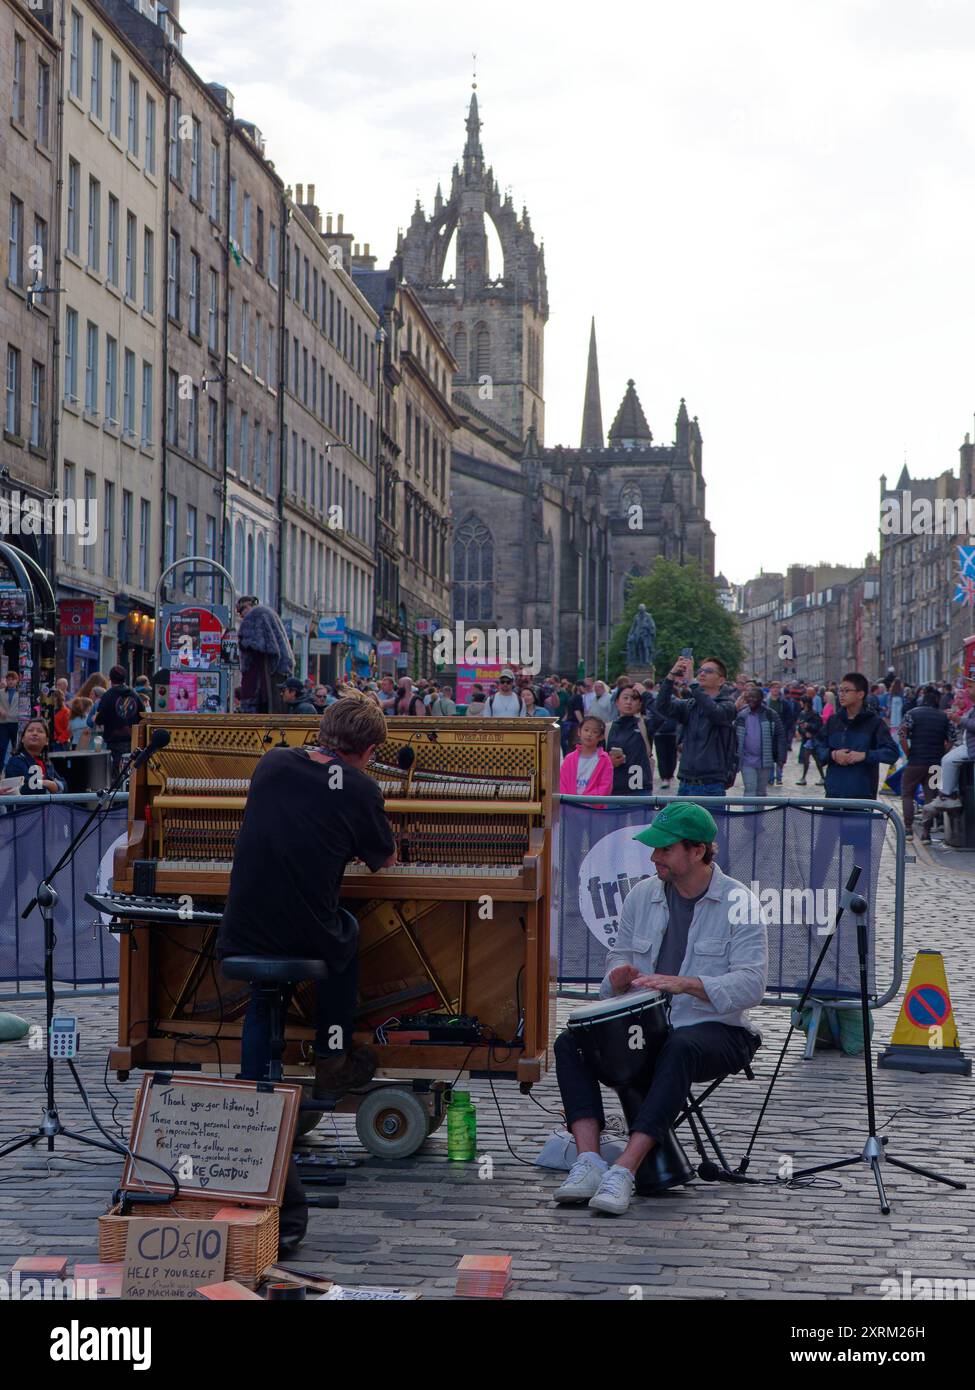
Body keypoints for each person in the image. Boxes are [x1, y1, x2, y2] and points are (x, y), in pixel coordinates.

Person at [217, 695, 397, 1255]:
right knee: (345, 931)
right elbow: (384, 861)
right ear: (368, 750)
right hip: (302, 931)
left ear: (321, 731)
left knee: (264, 994)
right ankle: (332, 1055)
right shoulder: (362, 786)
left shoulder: (273, 762)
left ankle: (254, 1101)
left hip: (242, 926)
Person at [552, 801, 766, 1215]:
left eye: (665, 850)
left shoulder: (740, 901)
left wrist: (689, 984)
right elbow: (619, 957)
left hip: (719, 1030)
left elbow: (751, 985)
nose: (654, 858)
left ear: (698, 850)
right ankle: (589, 1162)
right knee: (570, 1043)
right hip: (649, 1028)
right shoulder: (642, 895)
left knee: (680, 1047)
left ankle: (625, 1170)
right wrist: (616, 977)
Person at [654, 656, 737, 798]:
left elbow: (714, 712)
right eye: (700, 670)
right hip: (686, 782)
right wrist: (671, 676)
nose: (702, 674)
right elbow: (662, 706)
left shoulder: (728, 705)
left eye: (709, 671)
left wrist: (693, 683)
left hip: (711, 783)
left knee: (710, 821)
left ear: (721, 680)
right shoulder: (691, 705)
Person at [813, 672, 899, 799]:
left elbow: (891, 753)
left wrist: (864, 755)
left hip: (862, 798)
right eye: (840, 690)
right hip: (833, 796)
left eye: (846, 691)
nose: (841, 694)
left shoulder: (874, 723)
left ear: (860, 694)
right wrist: (833, 754)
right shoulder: (833, 721)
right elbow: (817, 747)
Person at [899, 685, 950, 841]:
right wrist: (943, 754)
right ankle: (926, 833)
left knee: (907, 793)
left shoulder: (911, 714)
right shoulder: (943, 717)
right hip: (935, 764)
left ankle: (908, 829)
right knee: (931, 796)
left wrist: (908, 752)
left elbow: (902, 735)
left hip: (916, 761)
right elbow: (952, 739)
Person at [923, 675, 975, 818]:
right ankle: (942, 794)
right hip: (965, 747)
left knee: (947, 760)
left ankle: (946, 795)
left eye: (970, 687)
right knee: (943, 763)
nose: (967, 690)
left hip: (969, 750)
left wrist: (959, 720)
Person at [235, 596, 294, 714]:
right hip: (277, 672)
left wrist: (243, 643)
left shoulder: (254, 616)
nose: (241, 616)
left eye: (241, 611)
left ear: (247, 605)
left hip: (264, 676)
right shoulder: (268, 613)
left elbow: (256, 645)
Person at [733, 683, 785, 797]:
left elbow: (780, 735)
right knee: (750, 789)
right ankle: (749, 814)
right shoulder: (741, 715)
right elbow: (733, 736)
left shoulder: (771, 714)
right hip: (746, 760)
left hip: (765, 760)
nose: (751, 700)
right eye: (749, 697)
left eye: (754, 697)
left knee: (761, 792)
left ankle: (759, 814)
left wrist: (781, 757)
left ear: (761, 699)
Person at [95, 666, 144, 776]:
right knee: (132, 773)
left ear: (110, 679)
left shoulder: (107, 696)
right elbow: (143, 716)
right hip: (133, 740)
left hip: (114, 741)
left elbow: (99, 719)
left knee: (117, 774)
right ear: (125, 679)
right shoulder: (134, 695)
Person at [605, 685, 654, 794]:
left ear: (640, 704)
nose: (629, 702)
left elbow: (662, 714)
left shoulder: (644, 724)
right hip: (614, 789)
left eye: (634, 698)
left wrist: (646, 694)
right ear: (617, 702)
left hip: (640, 789)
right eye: (625, 698)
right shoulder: (607, 728)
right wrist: (609, 761)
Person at [0, 719, 66, 795]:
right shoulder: (15, 761)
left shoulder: (47, 763)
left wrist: (52, 785)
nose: (34, 733)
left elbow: (64, 785)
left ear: (47, 741)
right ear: (22, 739)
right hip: (26, 807)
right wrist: (47, 784)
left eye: (40, 731)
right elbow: (25, 789)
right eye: (30, 730)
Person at [559, 716, 614, 794]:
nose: (589, 734)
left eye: (595, 732)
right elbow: (562, 784)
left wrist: (587, 802)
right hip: (570, 804)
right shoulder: (569, 758)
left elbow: (605, 787)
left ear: (601, 737)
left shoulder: (604, 759)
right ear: (579, 732)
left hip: (592, 805)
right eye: (586, 730)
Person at [795, 697, 825, 786]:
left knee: (815, 759)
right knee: (806, 758)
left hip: (814, 739)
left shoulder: (814, 714)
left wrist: (808, 726)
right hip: (806, 739)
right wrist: (804, 732)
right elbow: (800, 726)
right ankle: (804, 777)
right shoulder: (802, 713)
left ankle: (822, 778)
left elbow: (818, 726)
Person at [0, 669, 21, 771]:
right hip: (3, 723)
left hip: (16, 722)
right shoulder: (1, 692)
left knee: (16, 747)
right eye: (8, 680)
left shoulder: (21, 693)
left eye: (13, 679)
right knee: (2, 747)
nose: (10, 682)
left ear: (17, 680)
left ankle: (15, 769)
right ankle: (0, 770)